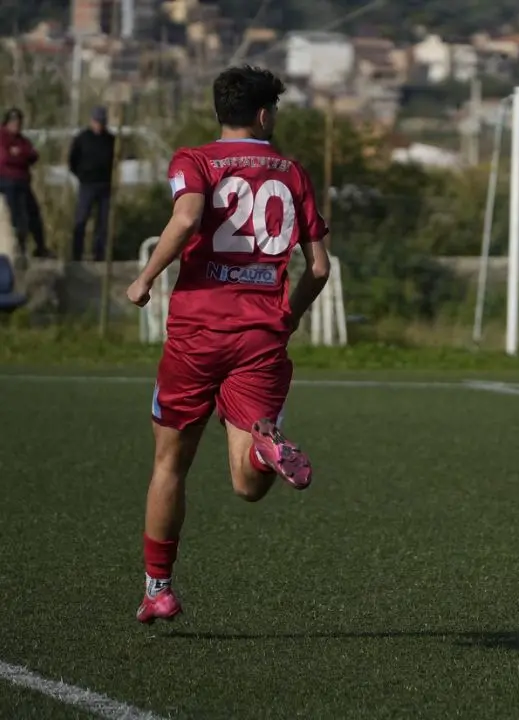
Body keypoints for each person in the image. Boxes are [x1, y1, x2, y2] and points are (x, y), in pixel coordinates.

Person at [125, 66, 331, 624]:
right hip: (261, 337)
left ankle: (158, 589)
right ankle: (266, 447)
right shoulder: (293, 173)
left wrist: (145, 278)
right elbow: (318, 266)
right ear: (265, 114)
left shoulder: (193, 160)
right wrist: (287, 316)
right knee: (245, 484)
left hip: (197, 335)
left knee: (170, 464)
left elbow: (188, 216)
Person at [0, 108, 51, 258]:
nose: (16, 125)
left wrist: (20, 154)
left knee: (33, 214)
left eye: (18, 122)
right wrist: (21, 156)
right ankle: (19, 249)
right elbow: (6, 159)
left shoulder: (22, 140)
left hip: (23, 181)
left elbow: (33, 155)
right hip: (7, 182)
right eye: (13, 122)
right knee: (16, 217)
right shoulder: (2, 137)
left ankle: (40, 247)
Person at [69, 106, 116, 261]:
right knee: (81, 219)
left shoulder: (110, 139)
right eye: (97, 121)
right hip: (87, 184)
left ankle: (99, 254)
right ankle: (76, 254)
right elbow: (72, 160)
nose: (99, 125)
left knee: (102, 223)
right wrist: (81, 175)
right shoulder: (82, 138)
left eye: (102, 122)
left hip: (105, 185)